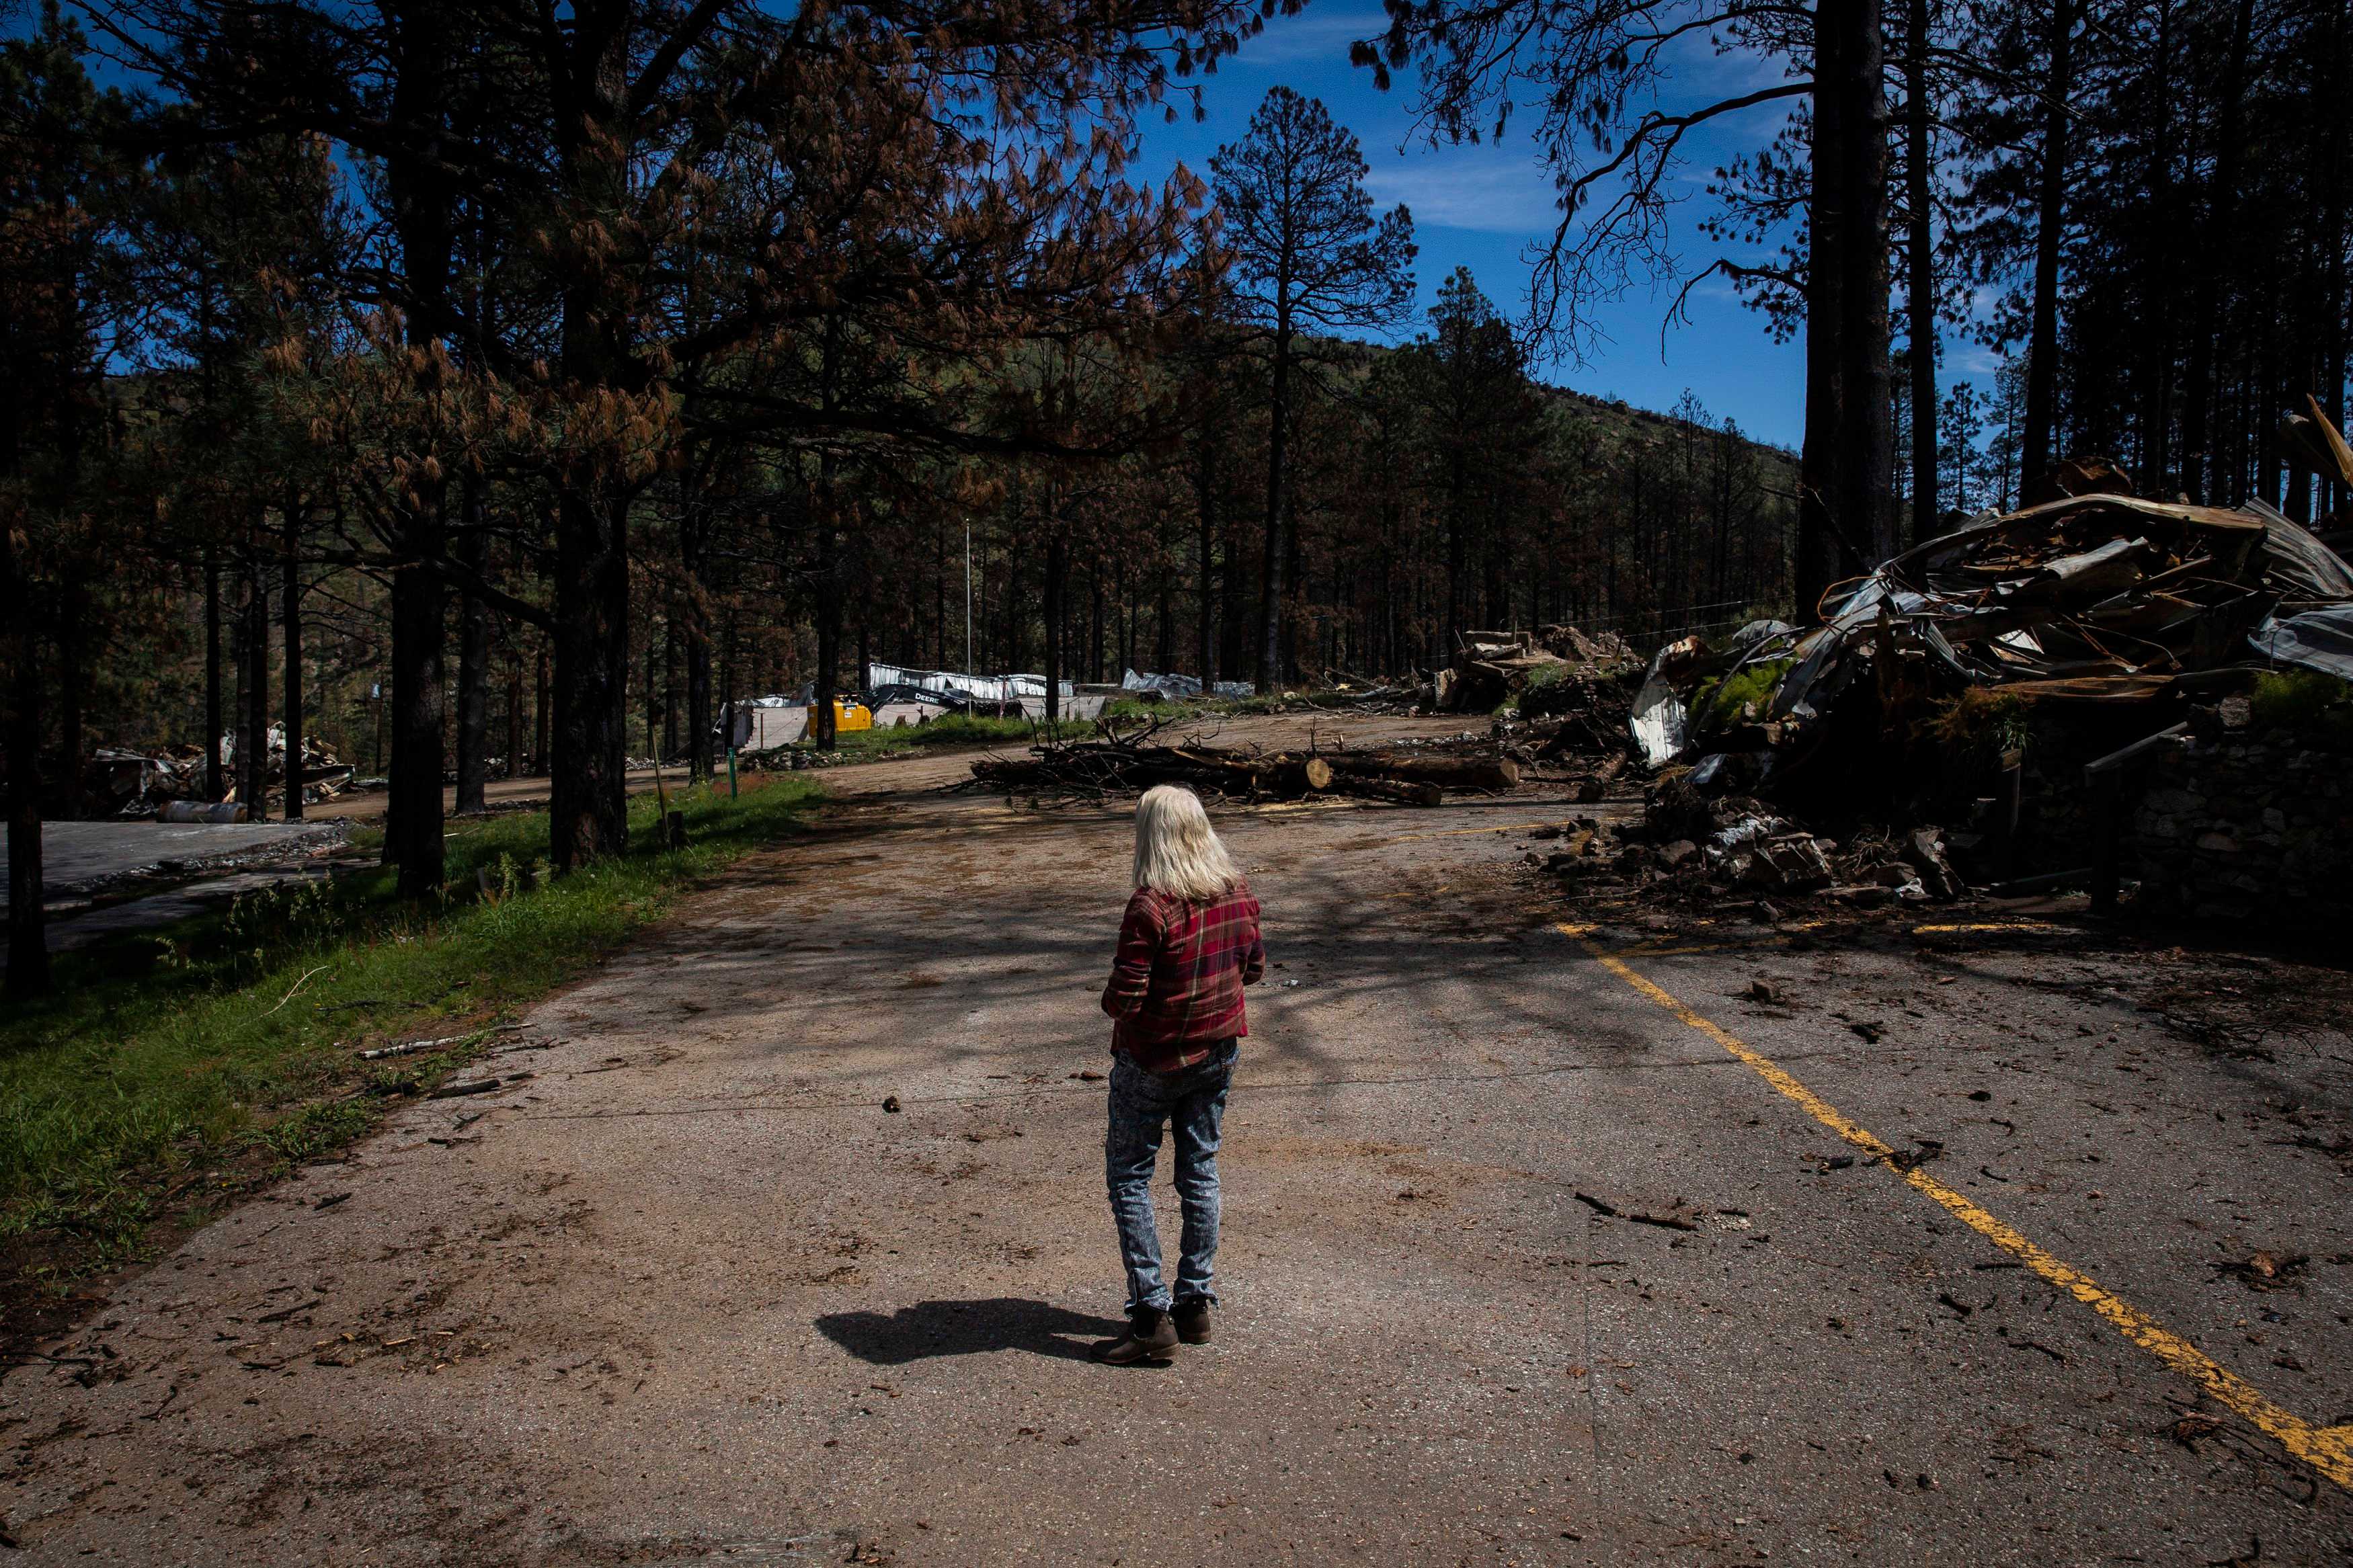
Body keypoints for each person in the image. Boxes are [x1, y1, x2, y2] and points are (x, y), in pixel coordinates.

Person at [1091, 784, 1265, 1365]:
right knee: (1200, 1171)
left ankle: (1149, 1315)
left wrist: (1112, 1000)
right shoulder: (1238, 892)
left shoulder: (1150, 906)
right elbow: (1256, 968)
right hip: (1217, 1053)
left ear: (1151, 835)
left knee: (1130, 1178)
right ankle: (1195, 1304)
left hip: (1153, 1061)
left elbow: (1125, 998)